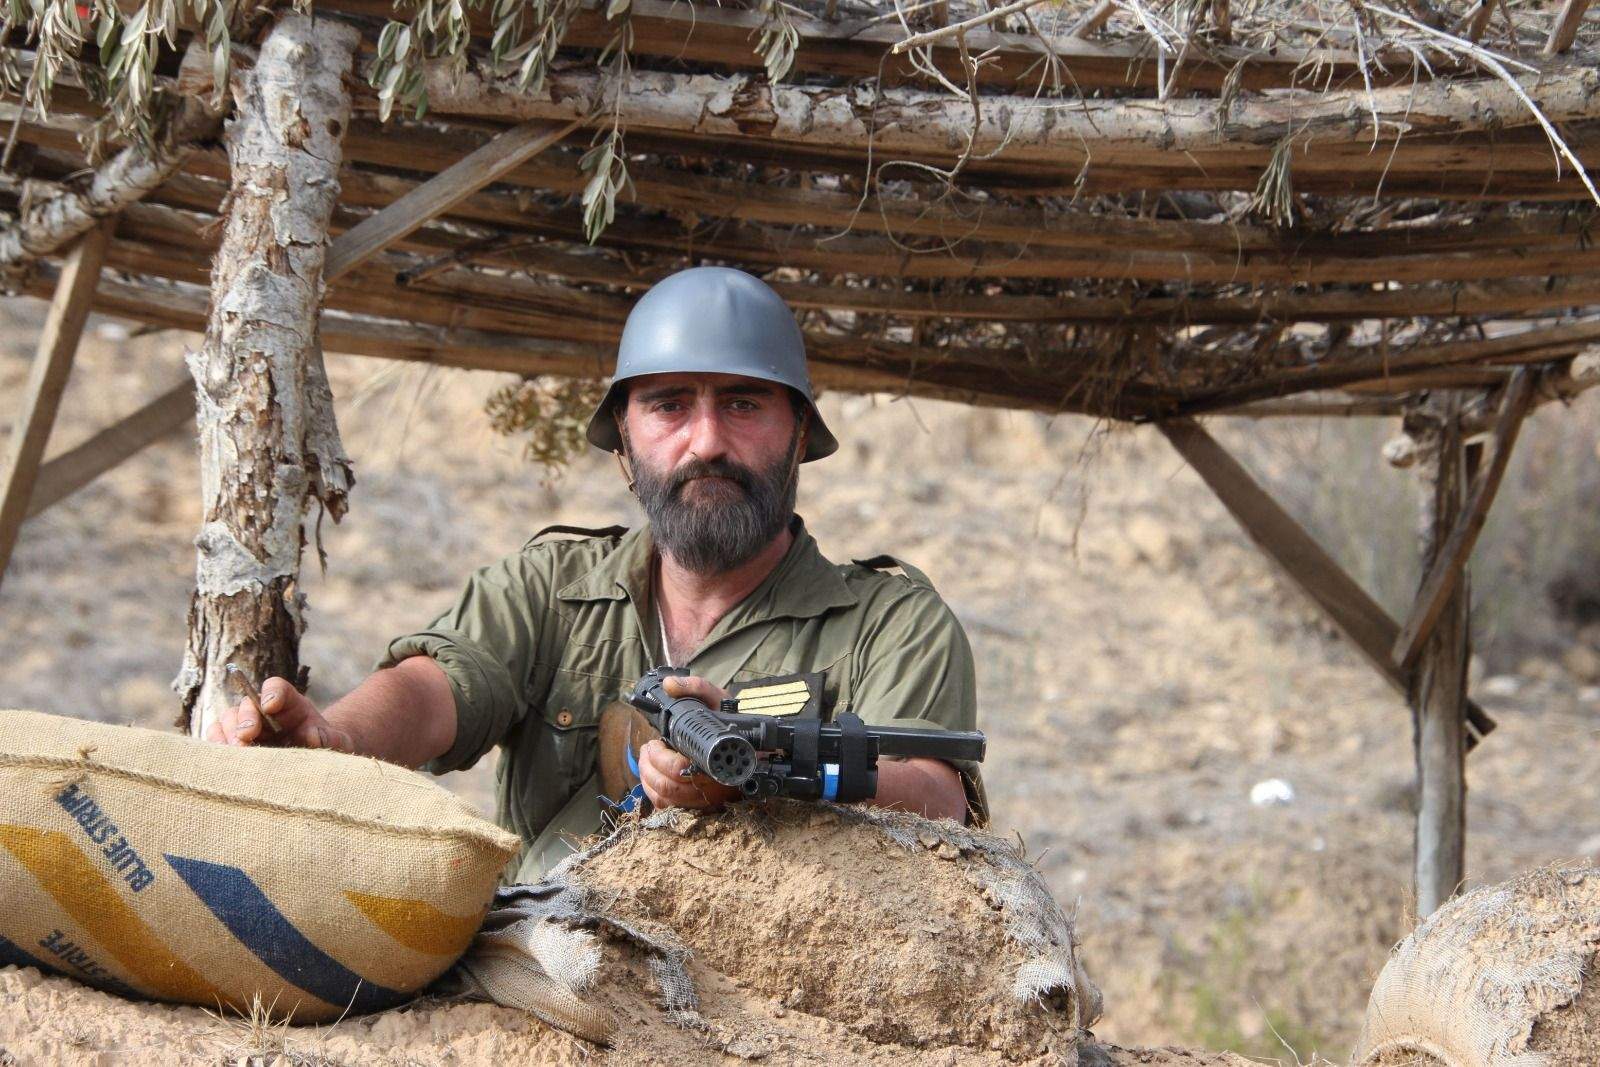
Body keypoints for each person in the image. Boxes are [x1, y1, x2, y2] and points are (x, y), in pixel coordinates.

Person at [207, 266, 984, 881]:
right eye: (669, 405)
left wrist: (767, 768)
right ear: (624, 445)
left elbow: (936, 796)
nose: (705, 440)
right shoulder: (553, 586)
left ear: (800, 433)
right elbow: (435, 686)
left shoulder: (891, 622)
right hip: (543, 978)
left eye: (744, 405)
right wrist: (337, 738)